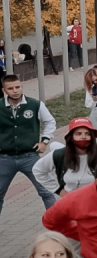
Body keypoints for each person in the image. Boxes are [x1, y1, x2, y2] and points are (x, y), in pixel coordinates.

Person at [0, 73, 58, 219]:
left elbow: (50, 122)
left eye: (18, 87)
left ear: (22, 87)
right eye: (11, 88)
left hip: (30, 156)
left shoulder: (35, 104)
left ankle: (57, 223)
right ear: (4, 90)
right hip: (4, 158)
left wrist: (44, 141)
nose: (15, 90)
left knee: (45, 191)